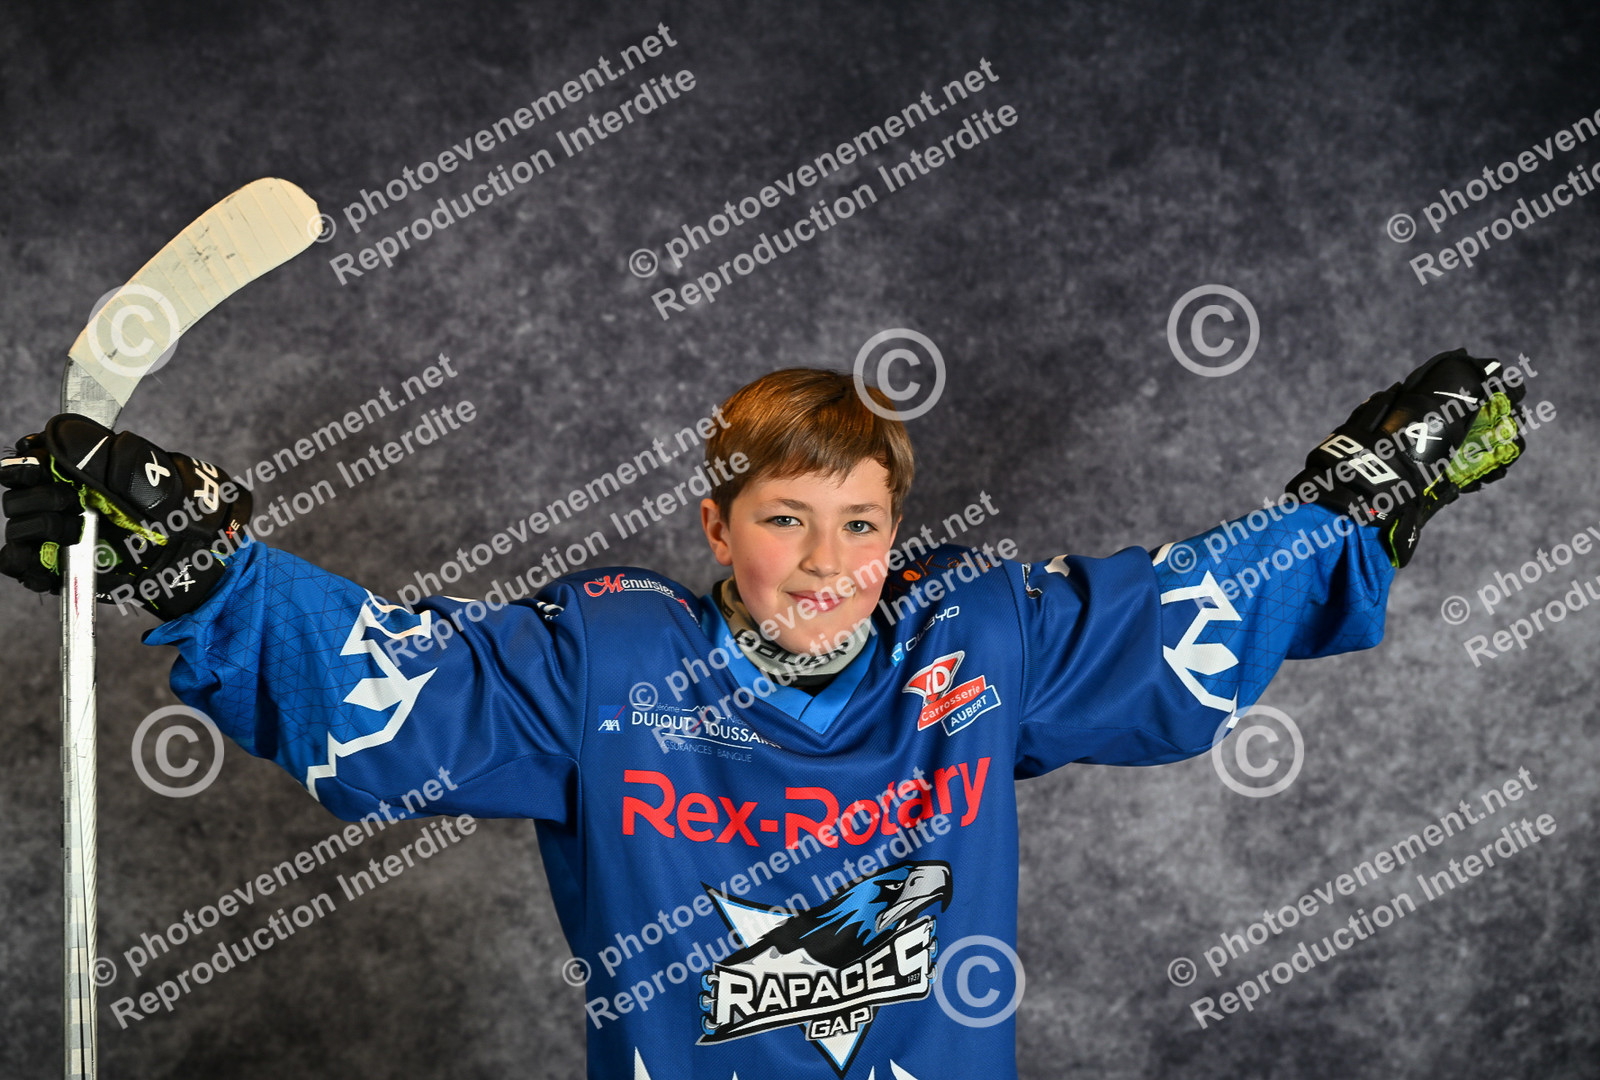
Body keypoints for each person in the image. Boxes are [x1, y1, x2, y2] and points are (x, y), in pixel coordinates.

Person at [1, 352, 1525, 1079]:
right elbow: (389, 690)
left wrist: (1352, 508)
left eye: (860, 525)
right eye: (786, 521)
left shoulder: (974, 648)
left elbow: (1181, 615)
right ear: (718, 526)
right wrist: (201, 570)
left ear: (897, 533)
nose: (826, 564)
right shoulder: (610, 667)